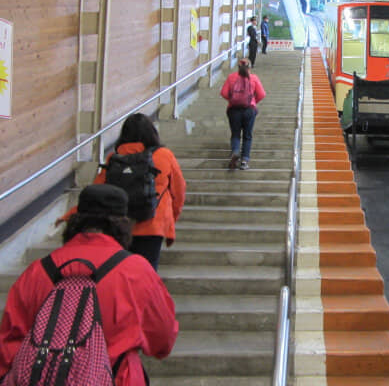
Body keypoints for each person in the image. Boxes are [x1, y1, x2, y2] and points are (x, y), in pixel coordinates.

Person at [0, 184, 179, 385]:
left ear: (75, 221)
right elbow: (163, 338)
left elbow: (8, 344)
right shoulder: (136, 272)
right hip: (117, 377)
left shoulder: (37, 272)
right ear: (124, 225)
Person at [57, 113, 186, 271]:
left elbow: (95, 193)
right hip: (153, 224)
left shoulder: (115, 159)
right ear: (152, 133)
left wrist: (69, 215)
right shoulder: (164, 155)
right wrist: (172, 217)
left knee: (119, 271)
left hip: (120, 226)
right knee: (147, 272)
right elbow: (179, 190)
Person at [220, 58, 266, 171]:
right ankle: (244, 161)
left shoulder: (231, 77)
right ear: (250, 67)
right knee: (247, 136)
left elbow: (223, 93)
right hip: (249, 110)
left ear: (238, 67)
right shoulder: (254, 78)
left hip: (234, 110)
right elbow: (262, 94)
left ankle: (235, 152)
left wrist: (232, 100)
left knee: (235, 134)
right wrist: (253, 102)